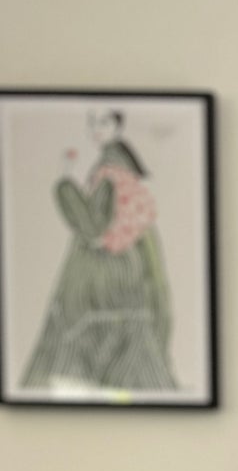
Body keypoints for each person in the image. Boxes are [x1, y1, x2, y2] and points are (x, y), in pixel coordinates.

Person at [23, 108, 177, 394]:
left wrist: (64, 182)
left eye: (104, 123)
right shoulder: (126, 169)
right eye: (92, 123)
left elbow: (92, 227)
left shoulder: (108, 172)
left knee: (79, 347)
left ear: (118, 127)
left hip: (102, 275)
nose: (96, 129)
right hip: (129, 272)